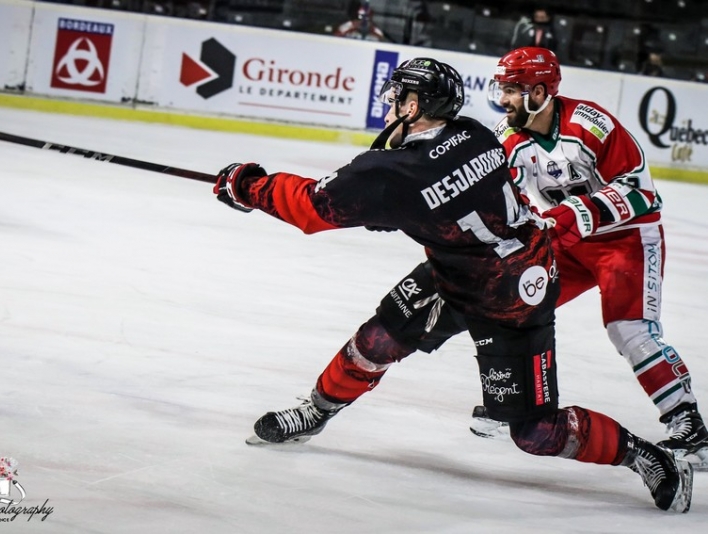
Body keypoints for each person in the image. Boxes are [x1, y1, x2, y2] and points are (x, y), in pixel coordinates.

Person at [213, 57, 693, 512]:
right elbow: (444, 192)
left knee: (533, 430)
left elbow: (313, 207)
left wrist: (245, 184)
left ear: (416, 105)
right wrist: (396, 209)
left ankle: (647, 455)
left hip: (507, 297)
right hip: (492, 270)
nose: (391, 105)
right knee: (379, 339)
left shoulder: (389, 173)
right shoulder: (476, 134)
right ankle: (315, 413)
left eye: (398, 97)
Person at [467, 47, 708, 468]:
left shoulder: (590, 124)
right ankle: (518, 402)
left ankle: (690, 426)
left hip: (626, 238)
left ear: (539, 92)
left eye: (511, 90)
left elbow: (642, 193)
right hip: (571, 240)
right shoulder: (507, 139)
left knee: (629, 330)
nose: (502, 99)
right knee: (515, 305)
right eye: (501, 88)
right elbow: (509, 205)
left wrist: (573, 214)